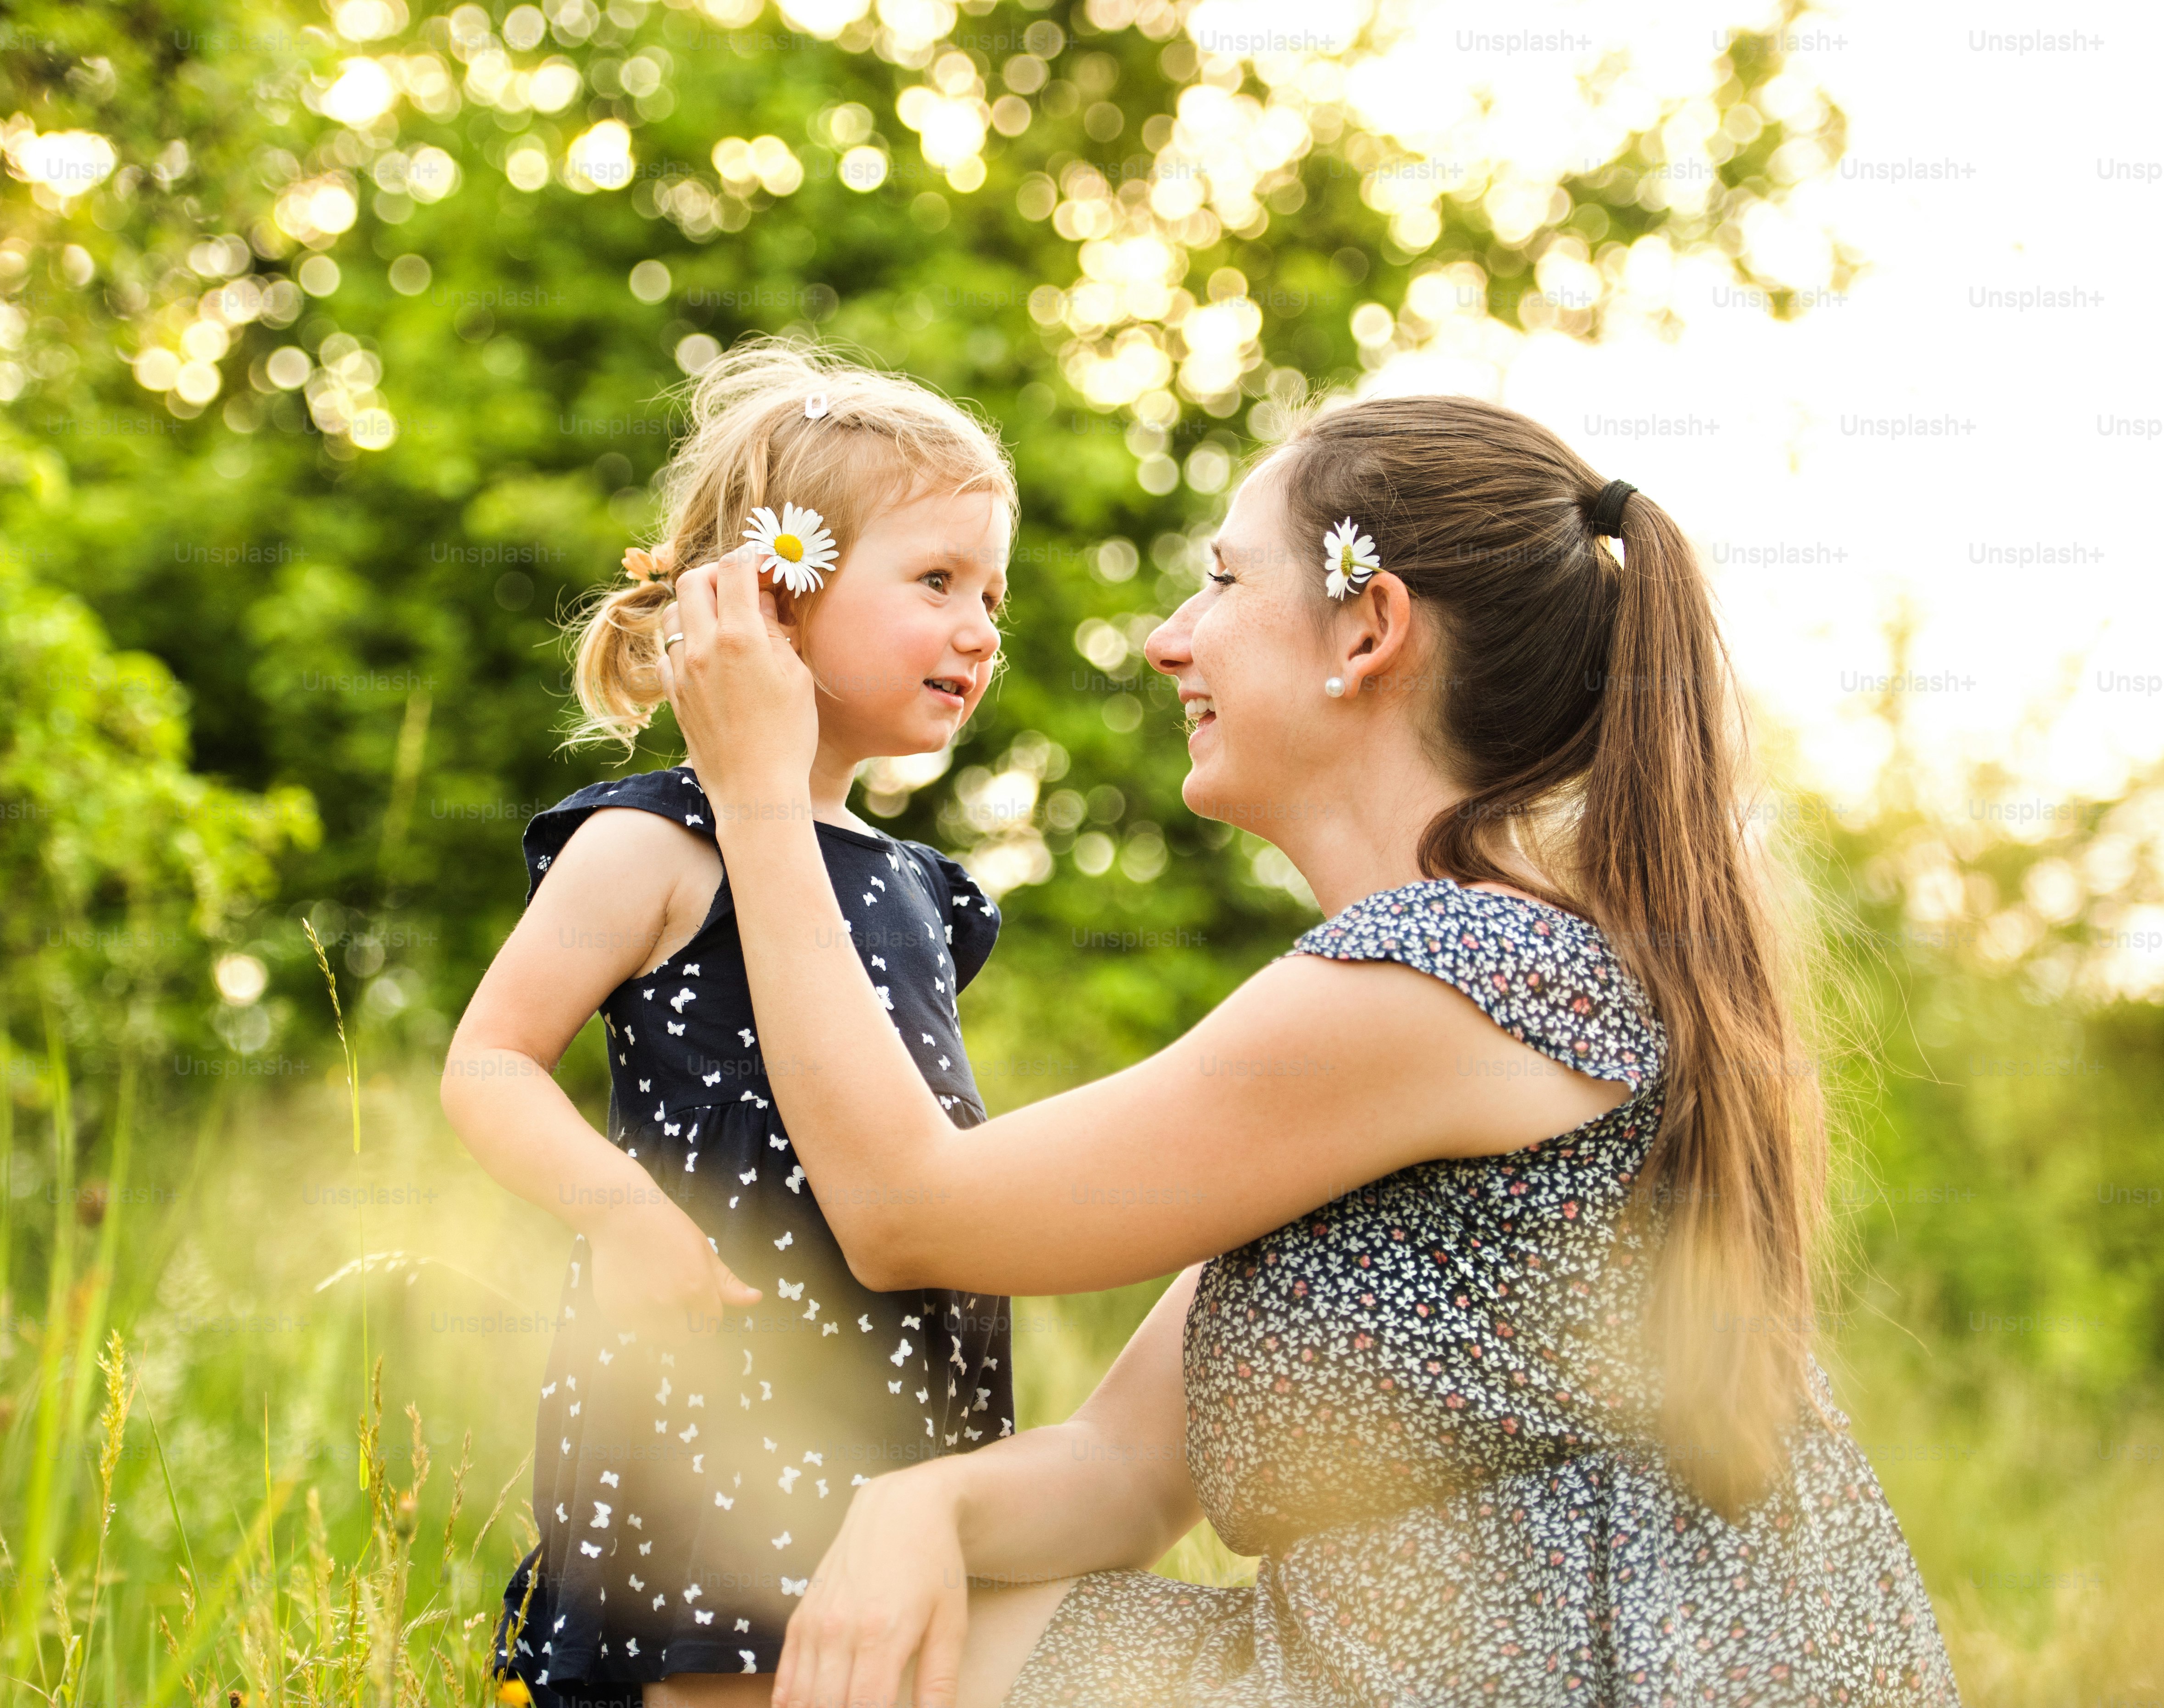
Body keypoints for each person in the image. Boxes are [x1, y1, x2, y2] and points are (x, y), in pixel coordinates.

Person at [656, 393, 1960, 1706]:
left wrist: (761, 796)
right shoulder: (1452, 982)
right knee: (791, 1630)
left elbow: (905, 1212)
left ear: (1370, 628)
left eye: (1222, 580)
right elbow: (1128, 1470)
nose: (1171, 643)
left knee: (736, 1666)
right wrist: (920, 1511)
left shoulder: (1448, 978)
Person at [442, 341, 1028, 1708]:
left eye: (994, 593)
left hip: (902, 1397)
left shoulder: (922, 889)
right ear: (778, 587)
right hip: (722, 1375)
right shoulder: (660, 843)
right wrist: (621, 1213)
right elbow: (489, 1060)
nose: (981, 627)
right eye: (935, 580)